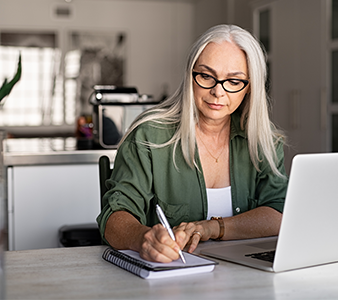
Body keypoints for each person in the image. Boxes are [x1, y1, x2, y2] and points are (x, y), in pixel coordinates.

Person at [96, 24, 288, 263]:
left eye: (234, 81)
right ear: (190, 76)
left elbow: (278, 214)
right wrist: (142, 238)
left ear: (249, 88)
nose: (218, 92)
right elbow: (114, 217)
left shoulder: (264, 140)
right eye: (206, 76)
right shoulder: (148, 135)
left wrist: (211, 228)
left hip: (247, 275)